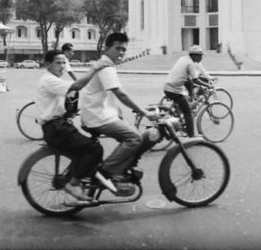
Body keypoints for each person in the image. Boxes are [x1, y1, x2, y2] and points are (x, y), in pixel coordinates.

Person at [35, 50, 111, 203]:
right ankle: (73, 183)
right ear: (47, 64)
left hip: (58, 126)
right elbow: (77, 85)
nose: (62, 66)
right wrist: (94, 69)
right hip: (56, 128)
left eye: (64, 63)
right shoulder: (50, 80)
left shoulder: (52, 79)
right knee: (94, 148)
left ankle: (78, 177)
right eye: (58, 63)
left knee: (85, 148)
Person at [79, 32, 157, 183]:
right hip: (97, 117)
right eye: (118, 48)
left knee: (131, 133)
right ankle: (107, 171)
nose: (121, 52)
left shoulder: (107, 64)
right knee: (134, 138)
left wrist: (118, 112)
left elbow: (110, 95)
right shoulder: (106, 67)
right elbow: (120, 94)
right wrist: (145, 113)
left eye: (123, 49)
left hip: (99, 113)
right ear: (107, 48)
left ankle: (120, 167)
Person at [163, 45, 212, 137]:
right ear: (194, 55)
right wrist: (207, 85)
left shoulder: (183, 59)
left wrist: (192, 88)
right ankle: (191, 135)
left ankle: (180, 121)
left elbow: (188, 78)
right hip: (174, 90)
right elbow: (195, 80)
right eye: (200, 55)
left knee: (186, 101)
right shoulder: (191, 64)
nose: (201, 57)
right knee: (188, 112)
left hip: (169, 87)